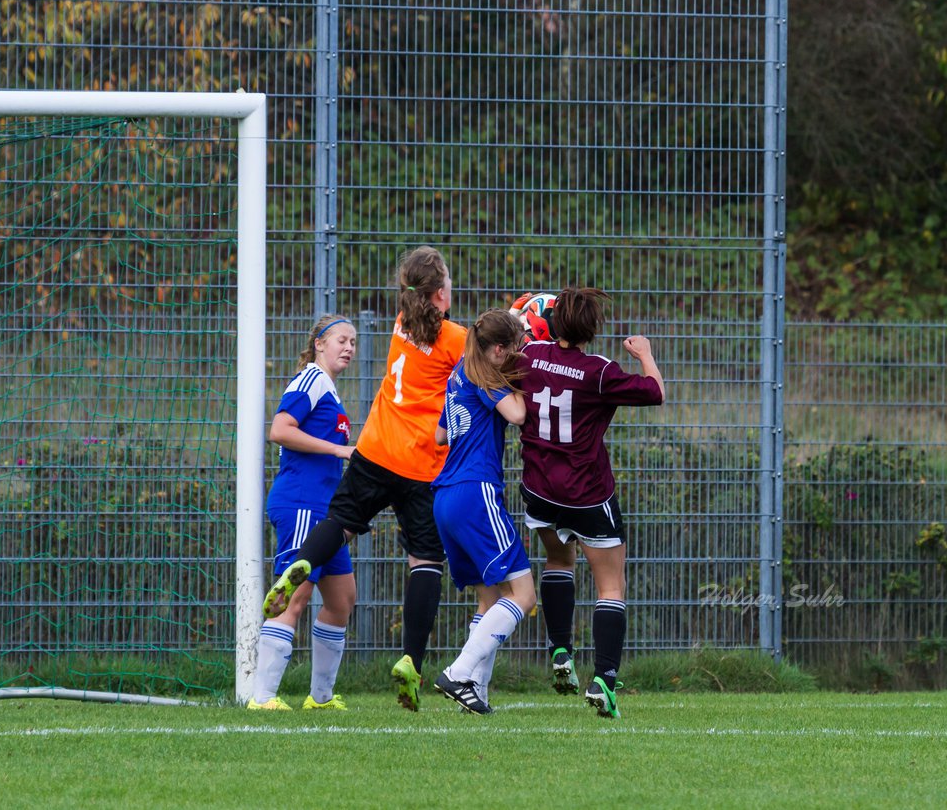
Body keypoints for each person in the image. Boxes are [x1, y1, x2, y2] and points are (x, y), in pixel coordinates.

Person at [262, 246, 467, 712]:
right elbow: (485, 360)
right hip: (419, 463)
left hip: (374, 451)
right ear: (440, 293)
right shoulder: (455, 337)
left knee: (341, 522)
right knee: (426, 563)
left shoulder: (401, 323)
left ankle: (303, 565)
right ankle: (411, 660)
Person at [516, 287, 663, 719]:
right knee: (610, 586)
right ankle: (604, 680)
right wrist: (645, 354)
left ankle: (561, 652)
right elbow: (655, 392)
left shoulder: (530, 356)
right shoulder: (599, 371)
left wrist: (518, 314)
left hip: (540, 489)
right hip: (586, 494)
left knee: (559, 563)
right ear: (593, 329)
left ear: (552, 322)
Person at [249, 314, 358, 711]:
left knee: (342, 599)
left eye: (353, 342)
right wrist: (338, 449)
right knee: (295, 594)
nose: (349, 347)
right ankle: (263, 698)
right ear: (319, 344)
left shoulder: (329, 389)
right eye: (341, 340)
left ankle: (321, 698)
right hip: (299, 503)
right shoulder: (310, 380)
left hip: (325, 513)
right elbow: (279, 428)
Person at [430, 309, 535, 715]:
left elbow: (441, 434)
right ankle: (458, 673)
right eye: (512, 350)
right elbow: (517, 414)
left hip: (446, 496)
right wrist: (522, 378)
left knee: (489, 600)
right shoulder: (482, 373)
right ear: (497, 350)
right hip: (476, 492)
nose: (515, 356)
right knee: (523, 595)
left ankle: (475, 694)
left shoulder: (459, 372)